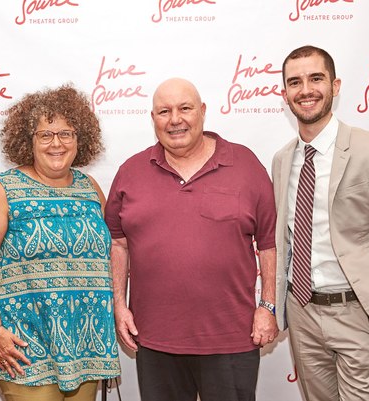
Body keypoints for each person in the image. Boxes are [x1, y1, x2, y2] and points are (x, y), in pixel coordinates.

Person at [104, 77, 278, 401]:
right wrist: (119, 303)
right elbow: (118, 243)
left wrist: (267, 305)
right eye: (164, 111)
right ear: (152, 119)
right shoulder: (130, 172)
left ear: (202, 112)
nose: (175, 120)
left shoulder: (246, 165)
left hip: (231, 338)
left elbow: (268, 242)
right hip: (155, 340)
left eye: (185, 108)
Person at [272, 45, 369, 401]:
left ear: (335, 85)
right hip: (302, 313)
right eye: (295, 82)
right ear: (285, 94)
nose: (305, 90)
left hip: (359, 313)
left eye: (316, 78)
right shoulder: (281, 160)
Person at [0, 84, 121, 401]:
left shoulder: (90, 189)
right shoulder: (3, 190)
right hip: (24, 347)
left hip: (85, 349)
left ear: (80, 139)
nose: (57, 143)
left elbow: (111, 253)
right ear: (28, 141)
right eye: (45, 135)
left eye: (66, 133)